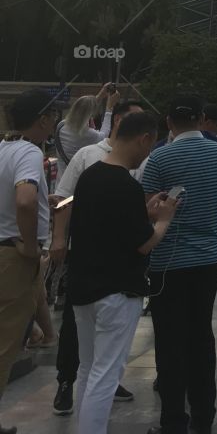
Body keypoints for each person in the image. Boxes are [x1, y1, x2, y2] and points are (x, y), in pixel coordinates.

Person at [69, 111, 180, 434]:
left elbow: (101, 222)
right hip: (116, 293)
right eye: (151, 144)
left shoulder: (89, 176)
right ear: (144, 138)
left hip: (83, 287)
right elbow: (144, 244)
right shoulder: (127, 185)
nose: (150, 152)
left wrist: (141, 212)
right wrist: (163, 220)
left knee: (87, 369)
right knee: (106, 374)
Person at [141, 93, 217, 434]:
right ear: (201, 119)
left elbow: (147, 211)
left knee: (169, 341)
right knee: (201, 336)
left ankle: (172, 421)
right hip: (208, 260)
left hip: (167, 262)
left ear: (168, 122)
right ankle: (204, 416)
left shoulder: (159, 159)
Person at [48, 98, 146, 415]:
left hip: (121, 259)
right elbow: (63, 200)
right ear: (116, 121)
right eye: (133, 120)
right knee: (76, 334)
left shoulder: (140, 159)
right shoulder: (88, 156)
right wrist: (60, 239)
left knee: (101, 359)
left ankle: (104, 384)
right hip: (88, 259)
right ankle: (66, 381)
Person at [0, 89, 60, 434]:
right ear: (43, 119)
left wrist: (40, 203)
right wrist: (26, 243)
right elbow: (23, 200)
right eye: (53, 116)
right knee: (6, 343)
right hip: (13, 256)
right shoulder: (28, 152)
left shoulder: (5, 148)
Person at [54, 86, 118, 179]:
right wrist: (109, 108)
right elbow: (105, 134)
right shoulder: (88, 134)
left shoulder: (62, 125)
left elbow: (83, 109)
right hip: (78, 182)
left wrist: (100, 95)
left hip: (61, 180)